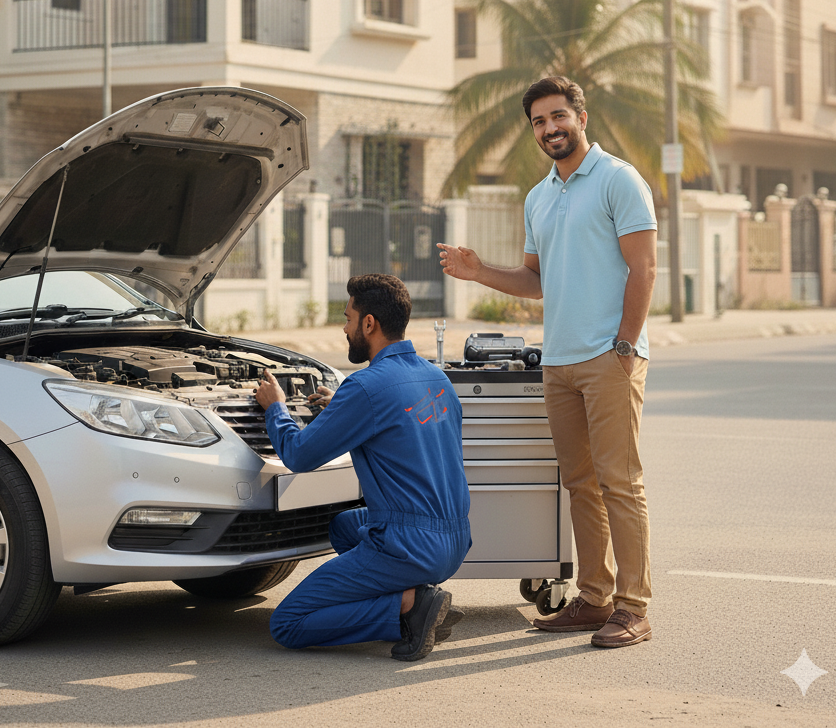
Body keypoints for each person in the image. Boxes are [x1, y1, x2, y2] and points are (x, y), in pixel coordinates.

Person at [438, 75, 658, 649]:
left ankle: (633, 608)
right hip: (558, 362)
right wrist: (478, 270)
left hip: (609, 357)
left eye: (558, 116)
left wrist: (626, 343)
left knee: (620, 484)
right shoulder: (539, 196)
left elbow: (644, 268)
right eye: (538, 121)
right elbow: (536, 281)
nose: (549, 128)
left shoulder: (618, 179)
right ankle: (594, 598)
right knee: (581, 484)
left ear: (581, 118)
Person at [253, 273, 471, 661]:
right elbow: (397, 420)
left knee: (287, 623)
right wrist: (341, 406)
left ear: (369, 323)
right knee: (344, 525)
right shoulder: (436, 378)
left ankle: (409, 605)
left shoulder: (367, 387)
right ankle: (406, 597)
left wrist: (276, 409)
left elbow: (299, 455)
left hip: (410, 545)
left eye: (348, 317)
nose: (344, 326)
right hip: (455, 537)